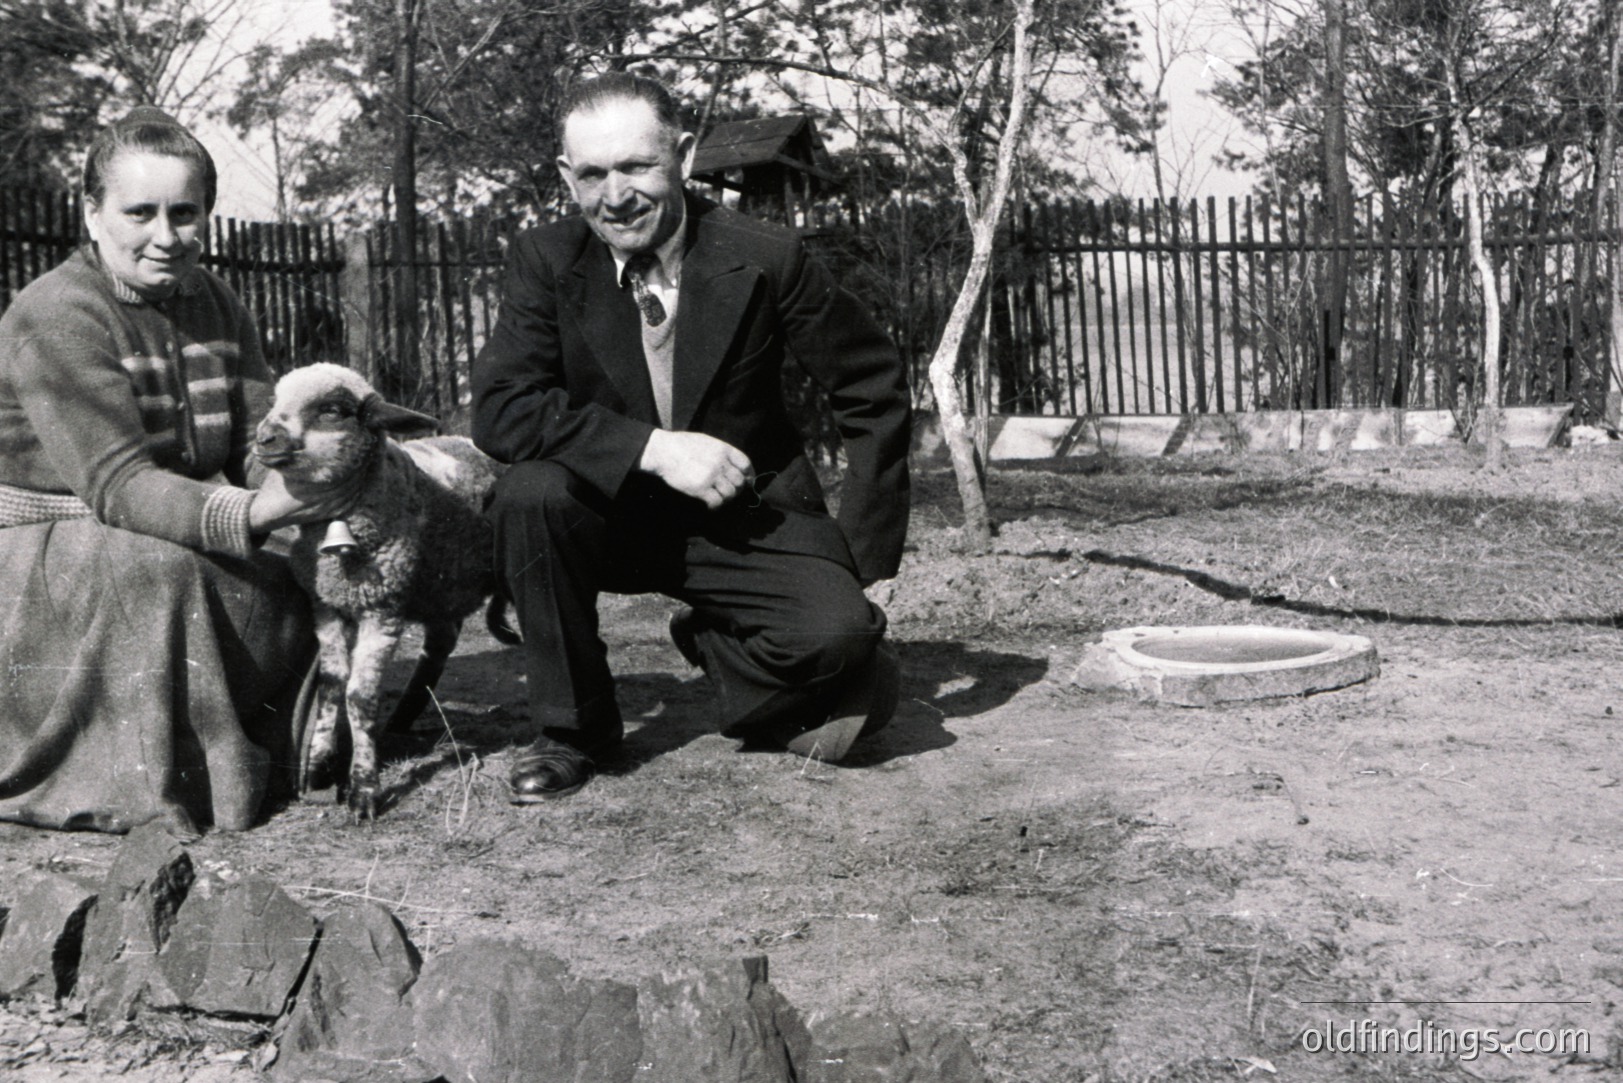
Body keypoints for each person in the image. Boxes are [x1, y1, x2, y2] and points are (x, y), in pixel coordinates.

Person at [473, 73, 912, 801]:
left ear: (682, 153)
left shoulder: (766, 256)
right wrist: (653, 448)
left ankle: (716, 643)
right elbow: (499, 407)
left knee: (838, 639)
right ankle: (571, 728)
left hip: (741, 512)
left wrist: (855, 562)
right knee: (530, 491)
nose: (614, 196)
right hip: (607, 513)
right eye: (591, 174)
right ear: (564, 176)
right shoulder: (546, 260)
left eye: (636, 166)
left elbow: (870, 387)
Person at [0, 108, 351, 835]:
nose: (167, 236)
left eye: (185, 213)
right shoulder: (55, 314)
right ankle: (142, 772)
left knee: (310, 560)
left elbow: (256, 443)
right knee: (160, 572)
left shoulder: (215, 300)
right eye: (140, 212)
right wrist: (254, 515)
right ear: (92, 213)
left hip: (164, 521)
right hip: (48, 548)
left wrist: (304, 480)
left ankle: (280, 735)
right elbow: (119, 485)